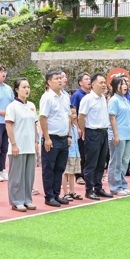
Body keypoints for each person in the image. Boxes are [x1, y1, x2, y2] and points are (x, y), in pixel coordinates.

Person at [39, 70, 72, 207]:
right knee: (49, 168)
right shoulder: (47, 97)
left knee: (60, 168)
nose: (60, 80)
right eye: (56, 78)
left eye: (61, 78)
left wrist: (69, 135)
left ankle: (56, 194)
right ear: (49, 82)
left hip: (64, 138)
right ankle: (49, 196)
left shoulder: (65, 96)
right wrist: (47, 138)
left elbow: (68, 116)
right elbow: (43, 118)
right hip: (52, 138)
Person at [78, 73, 112, 201]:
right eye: (101, 83)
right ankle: (89, 189)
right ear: (93, 85)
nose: (104, 85)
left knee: (101, 162)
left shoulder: (103, 98)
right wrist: (84, 130)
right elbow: (81, 116)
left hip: (103, 132)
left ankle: (99, 187)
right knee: (91, 163)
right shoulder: (88, 99)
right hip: (93, 132)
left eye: (104, 82)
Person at [5, 78, 38, 212]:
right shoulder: (12, 106)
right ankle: (16, 201)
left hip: (30, 146)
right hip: (18, 146)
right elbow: (9, 125)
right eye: (24, 87)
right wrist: (13, 144)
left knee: (29, 176)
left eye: (28, 87)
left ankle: (27, 199)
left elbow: (35, 125)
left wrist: (36, 141)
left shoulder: (32, 105)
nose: (27, 90)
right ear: (17, 90)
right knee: (16, 176)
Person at [107, 76, 130, 196]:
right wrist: (116, 135)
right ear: (114, 86)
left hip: (128, 134)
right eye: (121, 84)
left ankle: (122, 184)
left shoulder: (125, 100)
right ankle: (115, 186)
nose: (125, 86)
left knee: (124, 161)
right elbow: (112, 118)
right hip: (118, 135)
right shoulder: (114, 100)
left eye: (125, 84)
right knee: (116, 162)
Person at [70, 73, 91, 184]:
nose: (89, 81)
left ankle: (87, 174)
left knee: (88, 152)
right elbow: (74, 113)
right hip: (80, 128)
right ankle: (79, 175)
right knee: (80, 152)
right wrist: (78, 127)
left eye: (90, 79)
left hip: (89, 128)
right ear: (80, 82)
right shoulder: (77, 95)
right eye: (86, 79)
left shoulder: (91, 95)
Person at [62, 107, 83, 199]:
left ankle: (72, 191)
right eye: (72, 113)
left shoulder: (74, 127)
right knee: (65, 173)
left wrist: (78, 154)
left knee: (72, 173)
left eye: (75, 113)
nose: (75, 116)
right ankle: (65, 192)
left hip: (75, 154)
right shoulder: (66, 128)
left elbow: (76, 142)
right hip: (68, 154)